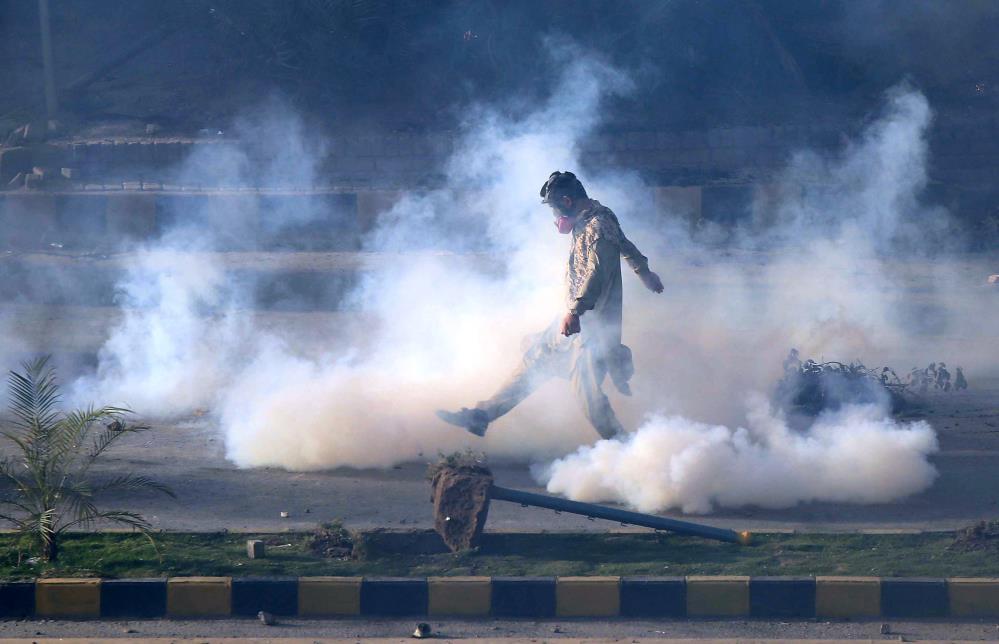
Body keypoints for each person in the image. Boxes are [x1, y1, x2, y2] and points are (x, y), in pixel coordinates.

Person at [436, 171, 664, 440]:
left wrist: (576, 311)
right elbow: (626, 245)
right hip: (575, 315)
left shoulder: (598, 226)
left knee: (587, 392)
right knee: (536, 359)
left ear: (567, 201)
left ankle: (626, 448)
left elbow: (596, 274)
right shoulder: (592, 218)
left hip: (593, 323)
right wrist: (644, 273)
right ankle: (482, 415)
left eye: (555, 208)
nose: (554, 216)